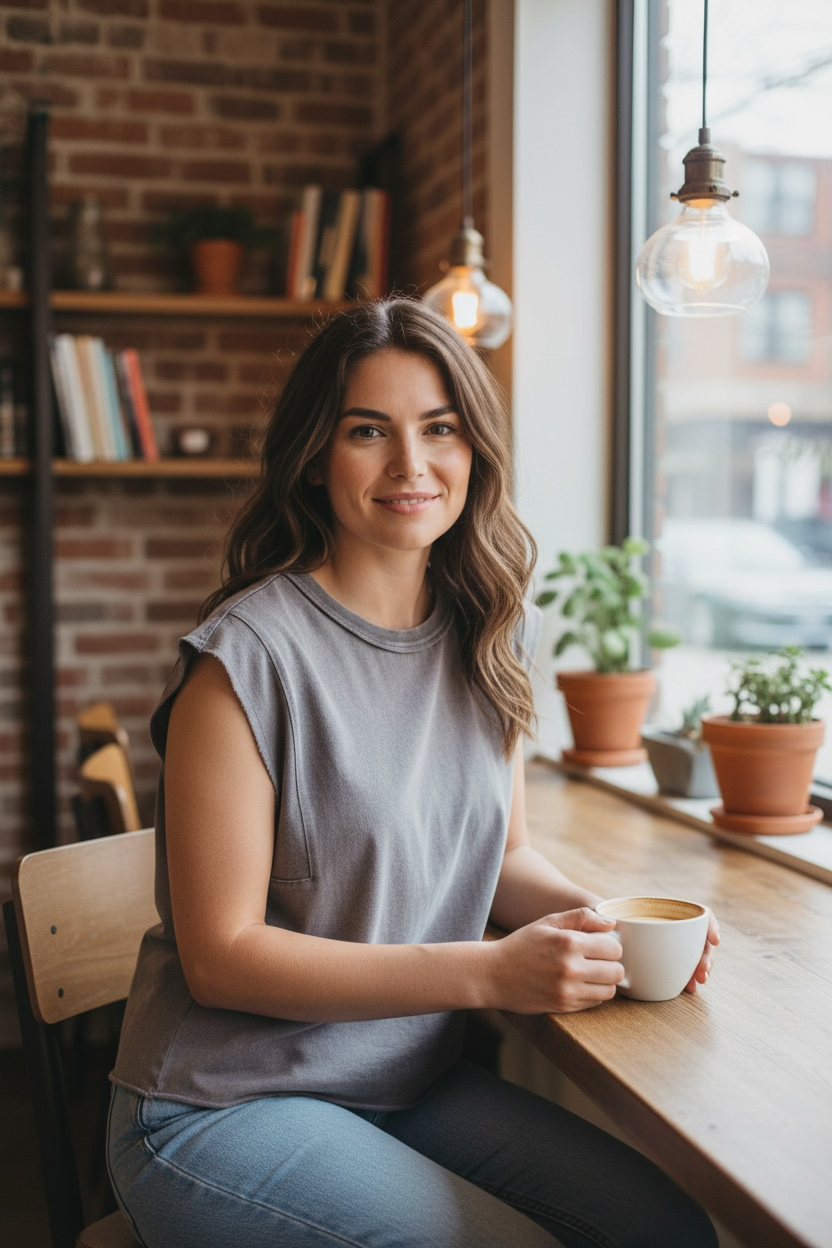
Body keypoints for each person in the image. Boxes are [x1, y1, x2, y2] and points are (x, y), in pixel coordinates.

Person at [107, 297, 720, 1248]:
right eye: (368, 431)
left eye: (439, 428)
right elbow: (219, 957)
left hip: (400, 1085)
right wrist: (488, 972)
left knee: (666, 1229)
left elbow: (503, 858)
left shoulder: (489, 634)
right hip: (220, 1103)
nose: (410, 465)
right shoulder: (246, 660)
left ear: (474, 450)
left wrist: (617, 926)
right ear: (316, 456)